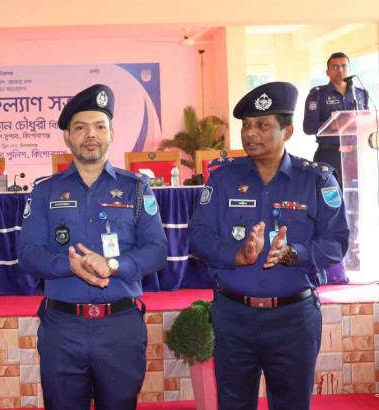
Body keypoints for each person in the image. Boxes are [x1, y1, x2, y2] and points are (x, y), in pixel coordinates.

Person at [189, 82, 349, 410]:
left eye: (262, 125)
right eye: (246, 125)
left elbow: (336, 242)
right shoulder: (222, 178)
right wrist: (236, 254)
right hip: (234, 316)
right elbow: (199, 236)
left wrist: (293, 254)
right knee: (233, 403)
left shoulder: (316, 180)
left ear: (287, 131)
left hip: (293, 319)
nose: (250, 133)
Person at [18, 84, 168, 410]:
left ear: (111, 133)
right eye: (80, 127)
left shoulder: (136, 189)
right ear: (67, 137)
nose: (91, 134)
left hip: (120, 327)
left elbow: (157, 250)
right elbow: (28, 254)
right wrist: (68, 266)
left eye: (100, 126)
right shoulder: (45, 191)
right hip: (63, 329)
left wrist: (113, 265)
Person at [303, 52, 368, 186]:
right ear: (327, 72)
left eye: (344, 66)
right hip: (330, 155)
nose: (340, 70)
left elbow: (368, 123)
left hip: (357, 155)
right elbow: (308, 127)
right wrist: (333, 124)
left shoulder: (360, 94)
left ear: (349, 69)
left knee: (357, 196)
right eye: (335, 67)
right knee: (330, 195)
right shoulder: (317, 94)